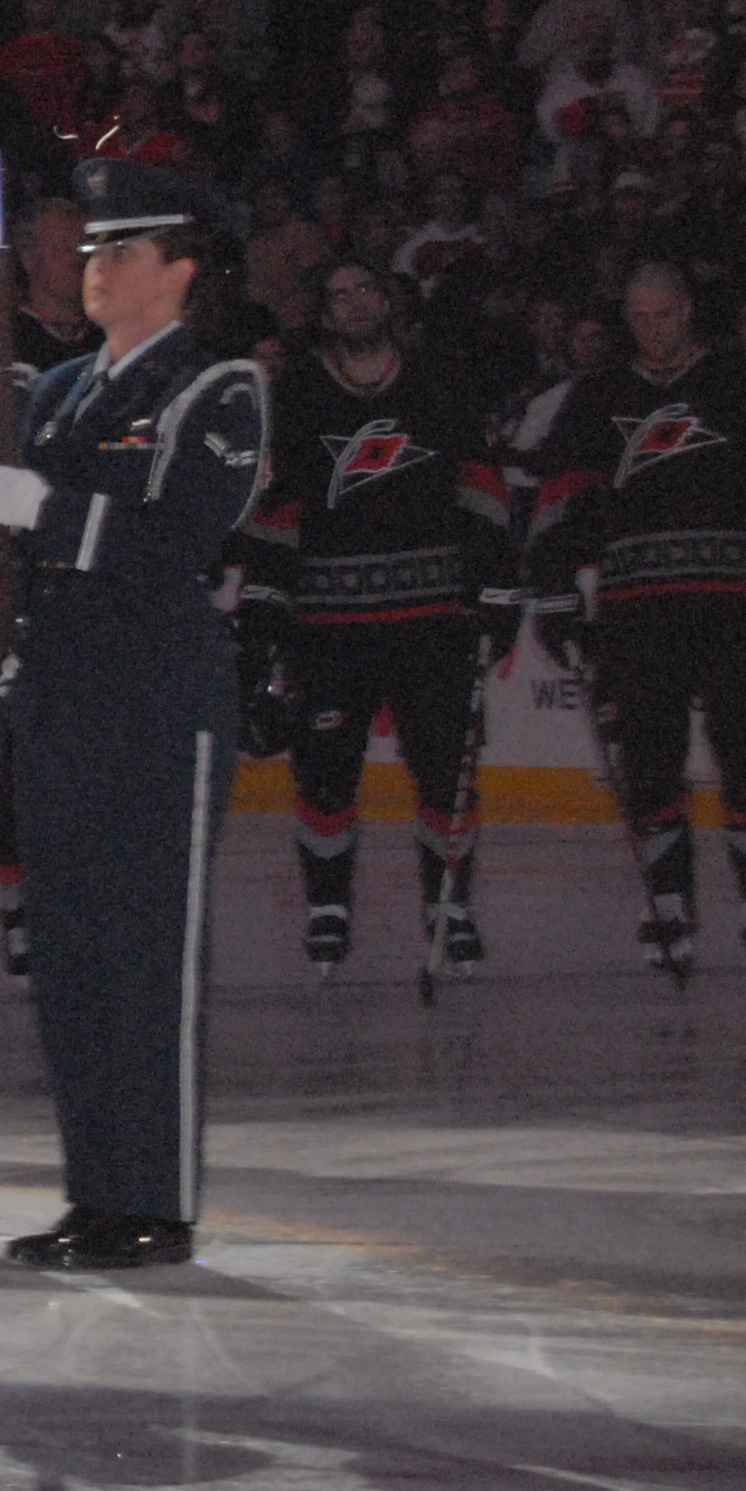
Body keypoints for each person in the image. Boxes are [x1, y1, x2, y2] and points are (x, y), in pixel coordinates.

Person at [0, 158, 269, 1270]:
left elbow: (180, 534)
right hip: (54, 702)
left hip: (151, 704)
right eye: (89, 250)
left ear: (180, 270)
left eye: (121, 251)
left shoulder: (214, 387)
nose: (94, 268)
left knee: (144, 964)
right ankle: (95, 1191)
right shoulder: (48, 391)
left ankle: (155, 1201)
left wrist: (49, 512)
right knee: (72, 965)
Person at [523, 260, 746, 975]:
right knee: (648, 762)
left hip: (737, 600)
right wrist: (552, 592)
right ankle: (668, 899)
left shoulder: (745, 379)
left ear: (689, 309)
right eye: (637, 317)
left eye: (663, 314)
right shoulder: (599, 395)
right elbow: (559, 501)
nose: (651, 330)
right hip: (636, 607)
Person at [235, 261, 517, 984]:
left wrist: (496, 583)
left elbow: (480, 482)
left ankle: (448, 906)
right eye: (339, 296)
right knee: (325, 772)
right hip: (329, 622)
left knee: (444, 772)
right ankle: (328, 907)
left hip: (432, 616)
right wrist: (264, 607)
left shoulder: (438, 381)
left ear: (388, 302)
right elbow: (279, 503)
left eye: (365, 291)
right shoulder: (297, 394)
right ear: (324, 313)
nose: (355, 305)